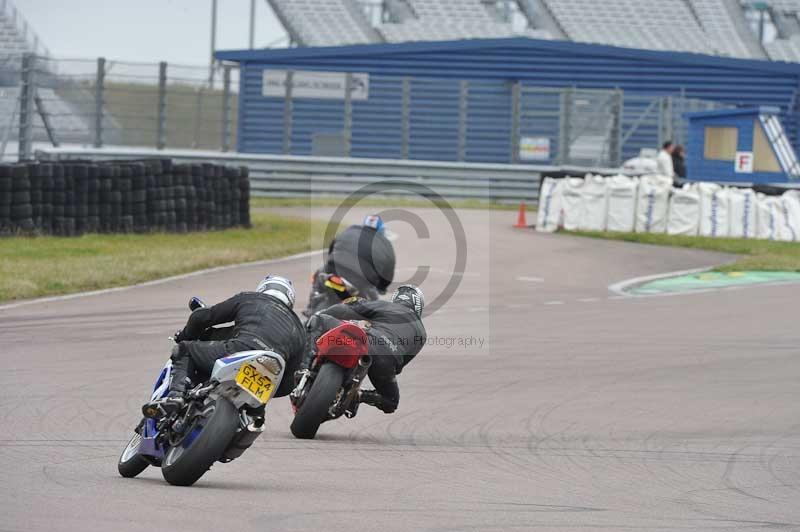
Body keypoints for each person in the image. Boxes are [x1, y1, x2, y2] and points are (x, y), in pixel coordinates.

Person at [143, 275, 306, 416]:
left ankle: (175, 396)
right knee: (256, 415)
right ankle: (249, 420)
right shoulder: (299, 329)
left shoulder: (251, 298)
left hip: (242, 349)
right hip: (270, 372)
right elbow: (288, 383)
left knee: (185, 349)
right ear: (290, 300)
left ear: (261, 290)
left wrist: (186, 335)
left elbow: (202, 317)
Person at [298, 285, 426, 414]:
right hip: (387, 360)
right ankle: (357, 395)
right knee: (391, 402)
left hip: (366, 343)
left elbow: (345, 310)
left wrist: (324, 313)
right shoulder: (422, 334)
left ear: (396, 298)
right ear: (418, 306)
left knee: (317, 320)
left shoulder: (386, 306)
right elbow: (400, 365)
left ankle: (304, 366)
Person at [310, 214, 395, 305]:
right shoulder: (385, 243)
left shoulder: (351, 229)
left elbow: (333, 244)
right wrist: (382, 287)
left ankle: (311, 304)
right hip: (361, 279)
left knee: (320, 274)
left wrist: (331, 260)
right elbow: (388, 269)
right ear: (381, 230)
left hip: (334, 268)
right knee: (373, 299)